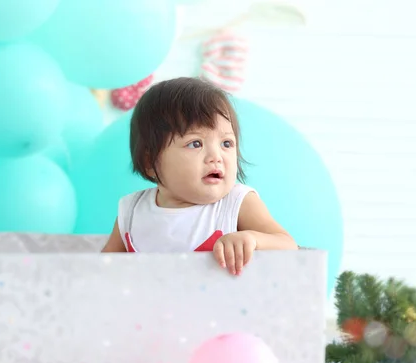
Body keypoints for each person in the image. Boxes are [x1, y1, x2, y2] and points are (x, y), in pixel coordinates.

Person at [101, 77, 297, 275]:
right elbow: (102, 271)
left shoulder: (236, 203)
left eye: (226, 143)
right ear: (150, 162)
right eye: (196, 143)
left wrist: (253, 239)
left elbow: (288, 245)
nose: (216, 157)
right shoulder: (132, 210)